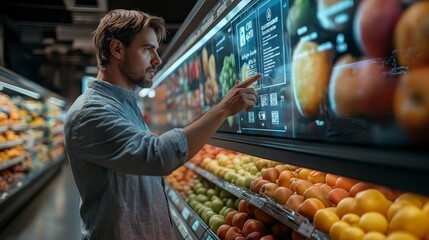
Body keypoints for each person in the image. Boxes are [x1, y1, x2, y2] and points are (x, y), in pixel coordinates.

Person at [64, 9, 260, 240]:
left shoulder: (124, 104)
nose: (157, 60)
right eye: (147, 49)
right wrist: (223, 109)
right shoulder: (90, 113)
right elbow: (157, 156)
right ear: (117, 49)